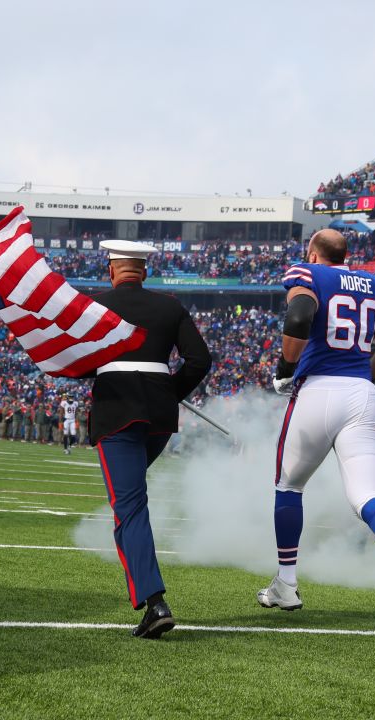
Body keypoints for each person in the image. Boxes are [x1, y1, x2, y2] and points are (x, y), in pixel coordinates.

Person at [263, 229, 375, 627]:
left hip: (318, 390)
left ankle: (286, 583)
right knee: (368, 494)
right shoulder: (372, 283)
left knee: (289, 486)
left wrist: (285, 369)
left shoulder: (309, 273)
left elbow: (299, 316)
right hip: (361, 394)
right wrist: (360, 377)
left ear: (313, 253)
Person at [89, 239, 211, 639]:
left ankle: (154, 601)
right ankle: (149, 593)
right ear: (145, 271)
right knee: (130, 503)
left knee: (129, 507)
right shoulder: (170, 306)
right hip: (159, 415)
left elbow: (76, 358)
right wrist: (169, 390)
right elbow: (200, 360)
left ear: (111, 270)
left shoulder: (93, 305)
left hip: (117, 412)